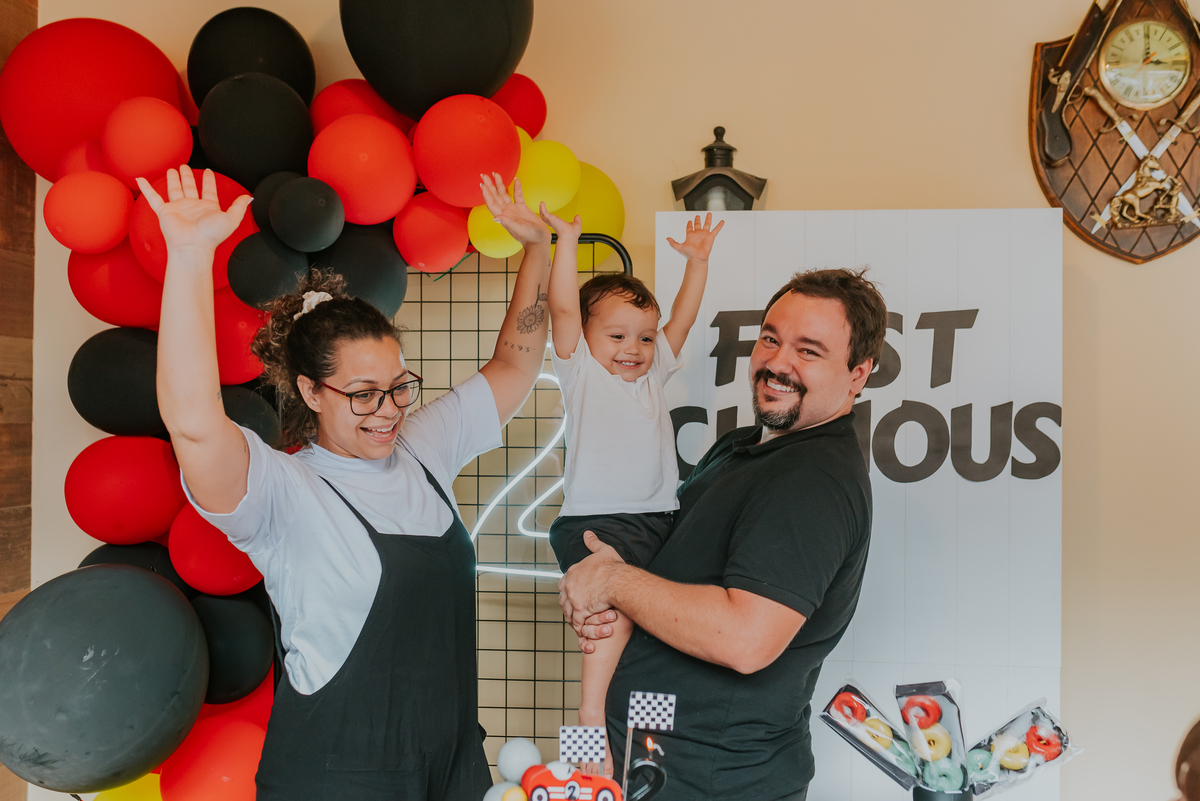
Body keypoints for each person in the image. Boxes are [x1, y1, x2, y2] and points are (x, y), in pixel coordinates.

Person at [140, 164, 554, 801]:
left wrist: (536, 249)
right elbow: (193, 423)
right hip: (336, 778)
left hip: (450, 768)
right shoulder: (280, 491)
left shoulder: (422, 449)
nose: (388, 410)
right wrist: (192, 254)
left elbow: (514, 364)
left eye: (398, 388)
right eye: (362, 395)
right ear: (310, 390)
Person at [557, 269, 888, 800]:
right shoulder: (741, 447)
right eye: (770, 338)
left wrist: (610, 582)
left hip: (709, 778)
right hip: (640, 753)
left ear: (857, 373)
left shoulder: (813, 481)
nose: (778, 363)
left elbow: (746, 639)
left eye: (809, 351)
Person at [540, 210, 723, 775]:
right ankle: (589, 727)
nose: (634, 348)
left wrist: (696, 264)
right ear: (588, 339)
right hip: (600, 523)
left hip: (660, 522)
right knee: (610, 617)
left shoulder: (652, 374)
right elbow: (564, 307)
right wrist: (567, 242)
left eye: (644, 337)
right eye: (617, 336)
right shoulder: (581, 372)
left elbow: (684, 321)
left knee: (659, 639)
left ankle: (649, 761)